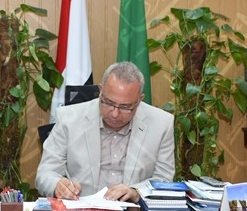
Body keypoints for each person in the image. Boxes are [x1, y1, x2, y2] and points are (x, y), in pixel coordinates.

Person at [35, 61, 175, 202]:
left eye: (125, 107)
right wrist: (58, 185)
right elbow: (46, 173)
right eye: (108, 103)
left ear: (139, 100)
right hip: (81, 209)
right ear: (101, 90)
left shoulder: (162, 124)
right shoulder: (68, 119)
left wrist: (136, 192)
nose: (114, 114)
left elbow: (164, 180)